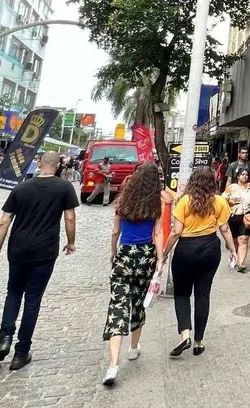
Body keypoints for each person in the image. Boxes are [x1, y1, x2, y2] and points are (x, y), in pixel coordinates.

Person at [0, 151, 79, 371]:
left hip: (17, 248)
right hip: (44, 251)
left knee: (13, 293)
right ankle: (21, 352)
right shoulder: (64, 188)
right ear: (58, 165)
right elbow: (70, 217)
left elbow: (4, 221)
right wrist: (71, 242)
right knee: (33, 299)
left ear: (39, 163)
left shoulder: (21, 187)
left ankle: (4, 338)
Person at [102, 162, 164, 386]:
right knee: (137, 302)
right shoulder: (156, 202)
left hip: (124, 254)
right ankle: (134, 347)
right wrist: (160, 260)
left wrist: (113, 253)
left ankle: (113, 365)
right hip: (146, 255)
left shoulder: (123, 200)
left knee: (117, 305)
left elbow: (115, 231)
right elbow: (157, 233)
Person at [164, 167, 237, 357]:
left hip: (186, 250)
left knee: (181, 294)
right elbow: (225, 229)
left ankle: (185, 335)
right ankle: (198, 342)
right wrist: (232, 249)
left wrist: (164, 252)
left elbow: (176, 232)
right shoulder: (219, 201)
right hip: (210, 248)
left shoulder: (184, 202)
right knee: (203, 295)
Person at [223, 167, 250, 272]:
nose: (244, 176)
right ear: (238, 176)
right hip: (233, 217)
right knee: (234, 241)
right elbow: (223, 201)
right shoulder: (231, 187)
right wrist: (231, 202)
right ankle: (233, 256)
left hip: (247, 217)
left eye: (246, 174)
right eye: (242, 174)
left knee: (243, 240)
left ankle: (241, 263)